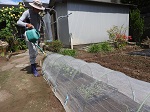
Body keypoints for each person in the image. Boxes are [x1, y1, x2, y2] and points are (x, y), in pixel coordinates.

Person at [17, 0, 45, 77]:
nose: (39, 10)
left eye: (40, 9)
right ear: (33, 7)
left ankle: (34, 65)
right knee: (32, 51)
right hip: (29, 34)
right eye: (37, 9)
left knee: (35, 51)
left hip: (35, 35)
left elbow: (39, 25)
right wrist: (27, 24)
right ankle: (33, 68)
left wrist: (39, 33)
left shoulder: (38, 15)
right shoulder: (27, 12)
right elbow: (18, 22)